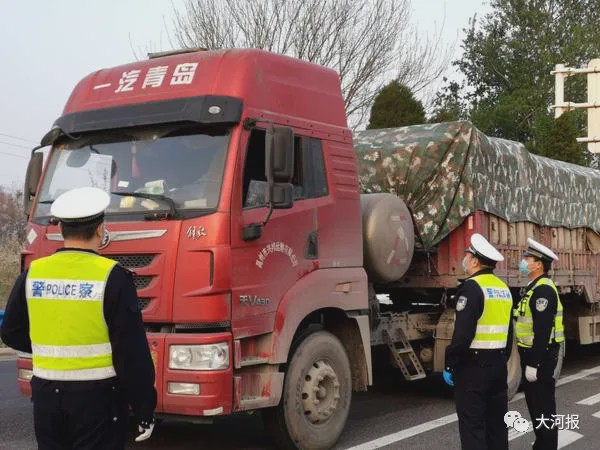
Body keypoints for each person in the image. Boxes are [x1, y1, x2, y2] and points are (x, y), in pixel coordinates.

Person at [0, 187, 157, 450]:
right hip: (98, 399)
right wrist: (144, 408)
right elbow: (131, 354)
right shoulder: (113, 277)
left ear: (61, 228)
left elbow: (10, 332)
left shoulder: (33, 273)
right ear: (100, 229)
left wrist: (51, 346)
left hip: (46, 397)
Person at [444, 233, 513, 450]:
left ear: (474, 261)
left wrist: (450, 363)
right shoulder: (503, 289)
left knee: (473, 428)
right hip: (498, 366)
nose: (463, 259)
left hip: (473, 370)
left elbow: (462, 336)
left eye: (466, 255)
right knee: (497, 428)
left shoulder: (472, 288)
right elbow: (509, 335)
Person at [515, 238, 563, 450]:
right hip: (534, 355)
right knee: (536, 407)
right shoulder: (533, 287)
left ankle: (547, 446)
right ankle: (542, 445)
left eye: (528, 258)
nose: (523, 261)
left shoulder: (544, 290)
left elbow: (542, 331)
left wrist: (533, 364)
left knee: (543, 407)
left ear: (539, 264)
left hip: (541, 358)